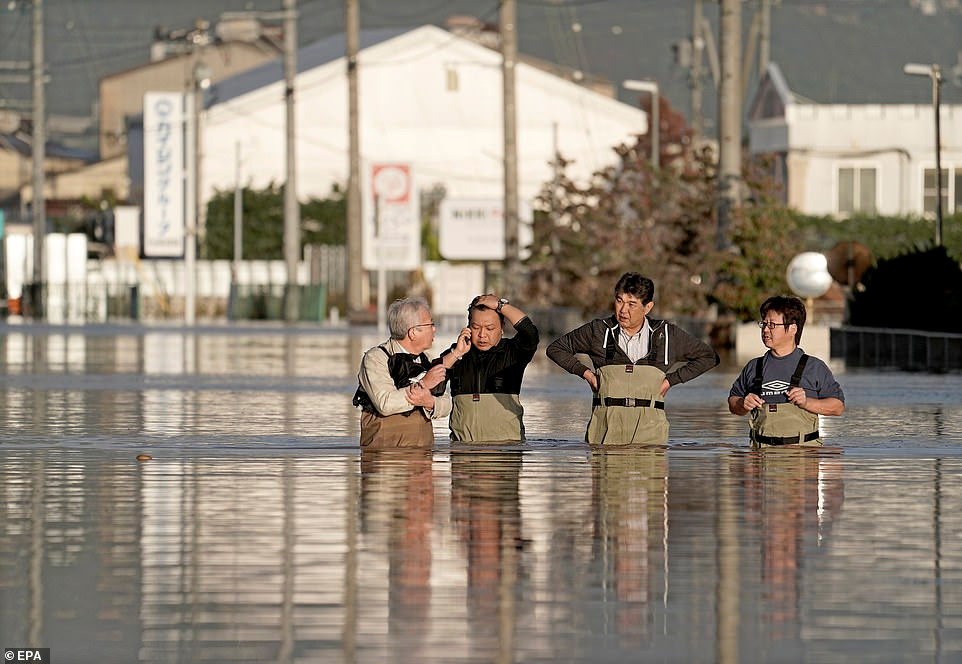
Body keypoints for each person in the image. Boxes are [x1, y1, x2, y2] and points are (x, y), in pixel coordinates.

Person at [546, 272, 719, 445]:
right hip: (604, 433)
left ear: (648, 307)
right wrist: (587, 374)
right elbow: (556, 349)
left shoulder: (667, 335)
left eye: (631, 304)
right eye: (619, 301)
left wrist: (672, 380)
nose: (623, 310)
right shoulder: (598, 331)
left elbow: (709, 357)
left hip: (651, 434)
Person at [728, 294, 845, 448]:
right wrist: (743, 403)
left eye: (772, 325)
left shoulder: (814, 367)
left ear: (792, 328)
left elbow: (838, 407)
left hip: (803, 459)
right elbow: (732, 403)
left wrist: (806, 402)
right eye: (763, 324)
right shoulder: (753, 367)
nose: (765, 330)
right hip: (761, 459)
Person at [353, 296, 459, 448]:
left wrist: (429, 402)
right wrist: (424, 384)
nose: (434, 329)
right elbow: (385, 403)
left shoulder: (426, 360)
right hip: (384, 461)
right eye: (431, 324)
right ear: (413, 332)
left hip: (423, 459)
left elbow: (447, 403)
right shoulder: (376, 358)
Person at [440, 294, 540, 443]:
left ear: (502, 328)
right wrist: (456, 353)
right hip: (463, 457)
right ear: (468, 328)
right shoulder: (456, 355)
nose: (482, 335)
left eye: (490, 328)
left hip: (505, 454)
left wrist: (501, 306)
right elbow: (432, 384)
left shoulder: (513, 352)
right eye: (476, 327)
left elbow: (530, 333)